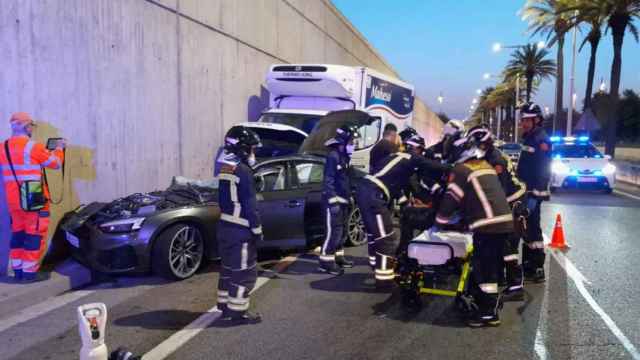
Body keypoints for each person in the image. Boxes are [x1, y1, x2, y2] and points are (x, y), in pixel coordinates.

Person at [435, 133, 514, 327]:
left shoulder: (462, 170)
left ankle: (489, 312)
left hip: (489, 225)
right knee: (490, 267)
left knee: (484, 270)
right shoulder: (483, 165)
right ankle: (487, 306)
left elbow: (451, 199)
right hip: (502, 222)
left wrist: (440, 220)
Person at [356, 134, 448, 289]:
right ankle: (384, 281)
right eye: (420, 149)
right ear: (414, 147)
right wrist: (456, 168)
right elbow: (431, 166)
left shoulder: (399, 160)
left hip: (368, 192)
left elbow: (407, 187)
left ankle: (377, 267)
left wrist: (411, 204)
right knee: (386, 239)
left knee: (375, 234)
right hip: (373, 195)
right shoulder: (408, 157)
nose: (421, 153)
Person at [0, 112, 65, 283]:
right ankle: (30, 273)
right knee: (34, 236)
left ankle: (18, 271)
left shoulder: (2, 147)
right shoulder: (33, 147)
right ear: (27, 126)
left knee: (18, 235)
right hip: (33, 200)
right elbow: (55, 164)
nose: (32, 129)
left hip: (13, 201)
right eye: (31, 126)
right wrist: (59, 149)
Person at [466, 124, 527, 301]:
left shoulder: (496, 161)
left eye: (475, 146)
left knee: (507, 246)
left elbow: (495, 191)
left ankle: (516, 287)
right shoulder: (485, 158)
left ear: (484, 145)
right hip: (505, 200)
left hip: (513, 200)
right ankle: (501, 278)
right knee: (499, 244)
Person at [214, 126, 263, 325]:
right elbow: (250, 205)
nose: (253, 153)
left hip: (225, 228)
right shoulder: (244, 171)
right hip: (241, 231)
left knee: (227, 270)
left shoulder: (226, 168)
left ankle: (224, 306)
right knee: (244, 273)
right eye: (252, 149)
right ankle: (237, 313)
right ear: (243, 149)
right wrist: (257, 230)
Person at [318, 124, 361, 275]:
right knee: (332, 233)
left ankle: (338, 258)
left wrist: (351, 196)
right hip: (333, 203)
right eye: (351, 142)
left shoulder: (344, 157)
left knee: (341, 232)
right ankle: (325, 264)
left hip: (343, 201)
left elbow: (346, 180)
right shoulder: (333, 156)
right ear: (342, 142)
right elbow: (328, 181)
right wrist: (332, 201)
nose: (353, 145)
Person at [516, 102, 552, 283]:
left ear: (537, 120)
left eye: (527, 120)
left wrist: (535, 196)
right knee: (527, 229)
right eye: (522, 119)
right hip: (526, 191)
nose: (523, 123)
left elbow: (543, 170)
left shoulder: (541, 140)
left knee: (533, 229)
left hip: (533, 193)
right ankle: (529, 265)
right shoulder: (530, 137)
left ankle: (537, 268)